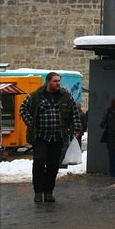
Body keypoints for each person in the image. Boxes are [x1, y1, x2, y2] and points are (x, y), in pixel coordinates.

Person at [19, 72, 81, 203]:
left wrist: (77, 128)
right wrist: (31, 122)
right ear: (48, 82)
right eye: (55, 81)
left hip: (58, 137)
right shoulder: (36, 96)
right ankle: (38, 191)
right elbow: (23, 108)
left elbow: (74, 113)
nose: (58, 83)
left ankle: (48, 192)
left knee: (53, 166)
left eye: (59, 81)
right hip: (40, 136)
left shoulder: (65, 96)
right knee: (39, 162)